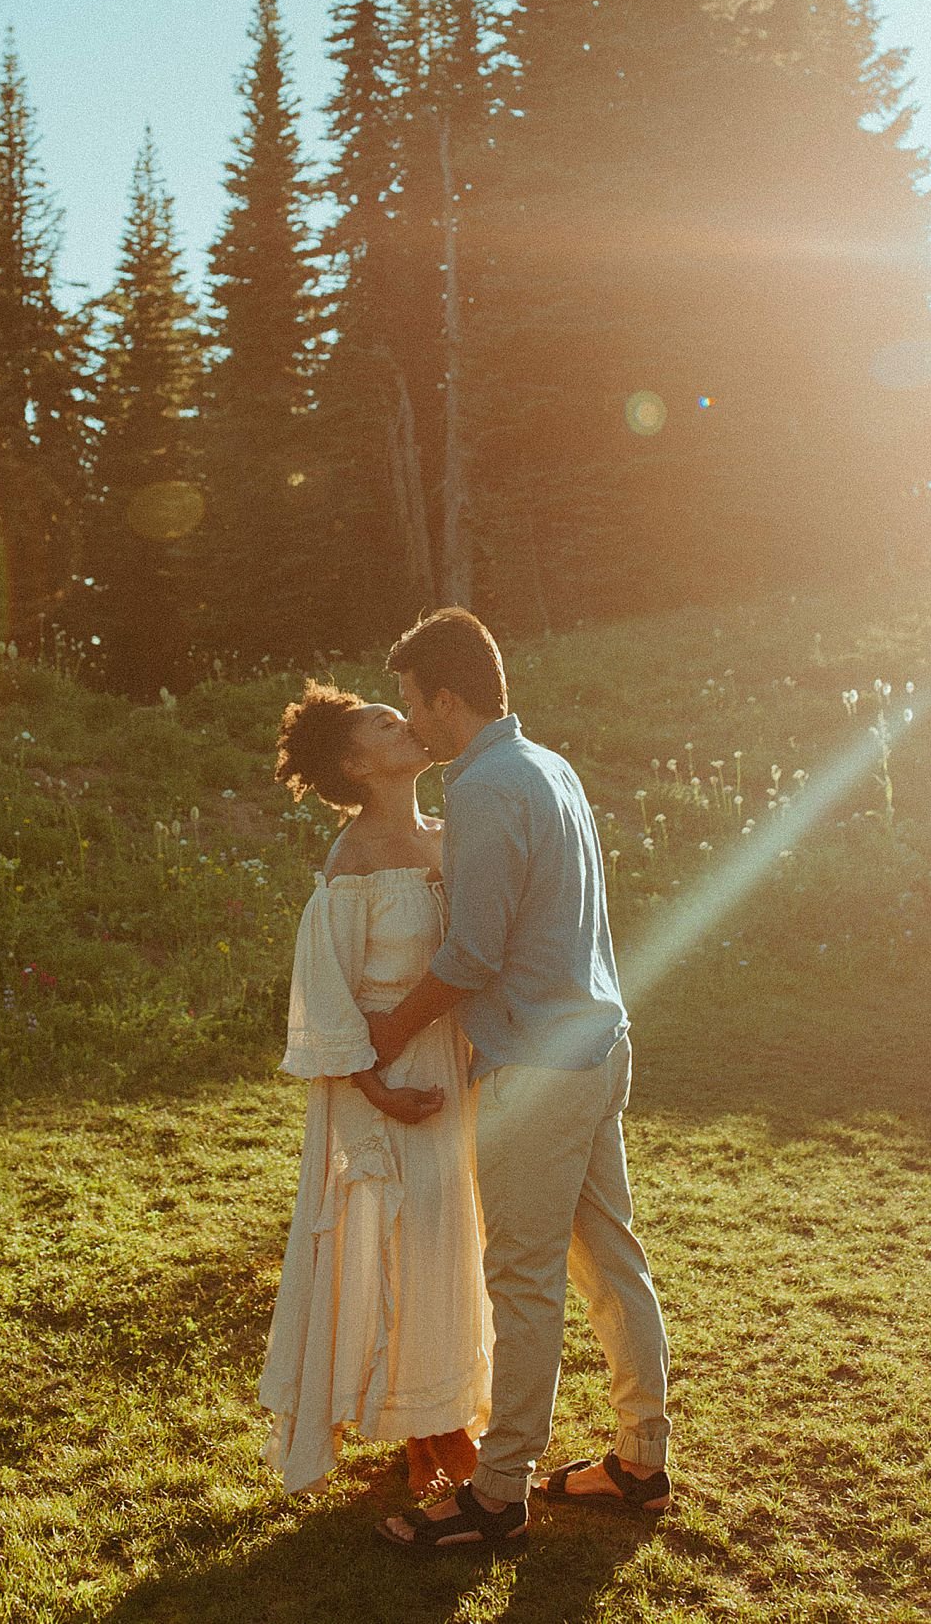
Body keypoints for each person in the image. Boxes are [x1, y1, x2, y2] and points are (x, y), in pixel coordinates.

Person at [369, 609, 671, 1554]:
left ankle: (497, 1495)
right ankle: (638, 1461)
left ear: (447, 697)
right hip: (595, 1042)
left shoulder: (486, 789)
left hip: (538, 1065)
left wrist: (385, 1031)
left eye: (415, 703)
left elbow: (471, 954)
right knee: (611, 1259)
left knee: (527, 1280)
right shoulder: (549, 764)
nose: (410, 723)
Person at [258, 680, 492, 1499]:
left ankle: (434, 1419)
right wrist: (378, 1089)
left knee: (450, 1238)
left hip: (452, 1069)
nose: (412, 726)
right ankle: (433, 1429)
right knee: (403, 1233)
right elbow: (329, 992)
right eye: (390, 724)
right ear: (358, 764)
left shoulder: (448, 832)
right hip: (382, 1078)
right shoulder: (350, 859)